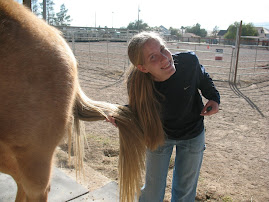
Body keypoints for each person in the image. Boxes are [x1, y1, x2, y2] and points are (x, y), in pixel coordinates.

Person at [109, 31, 220, 202]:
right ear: (143, 68)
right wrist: (121, 116)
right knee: (153, 192)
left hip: (193, 134)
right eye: (153, 57)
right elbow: (138, 109)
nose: (164, 58)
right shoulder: (137, 82)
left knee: (185, 193)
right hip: (159, 136)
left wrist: (213, 97)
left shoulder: (188, 62)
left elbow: (203, 78)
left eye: (162, 49)